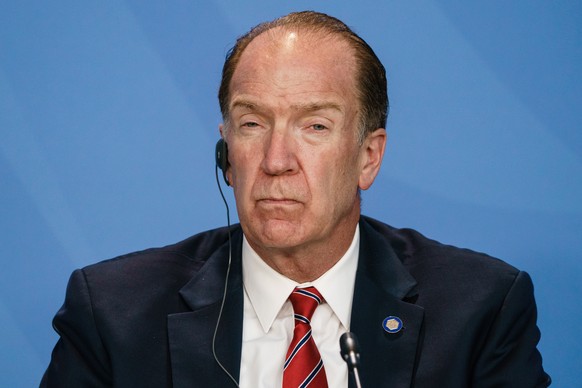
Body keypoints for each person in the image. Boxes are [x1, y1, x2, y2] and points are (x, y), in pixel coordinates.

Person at [41, 11, 550, 387]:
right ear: (226, 154)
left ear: (368, 157)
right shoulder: (114, 314)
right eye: (252, 124)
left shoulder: (479, 310)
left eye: (315, 126)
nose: (276, 159)